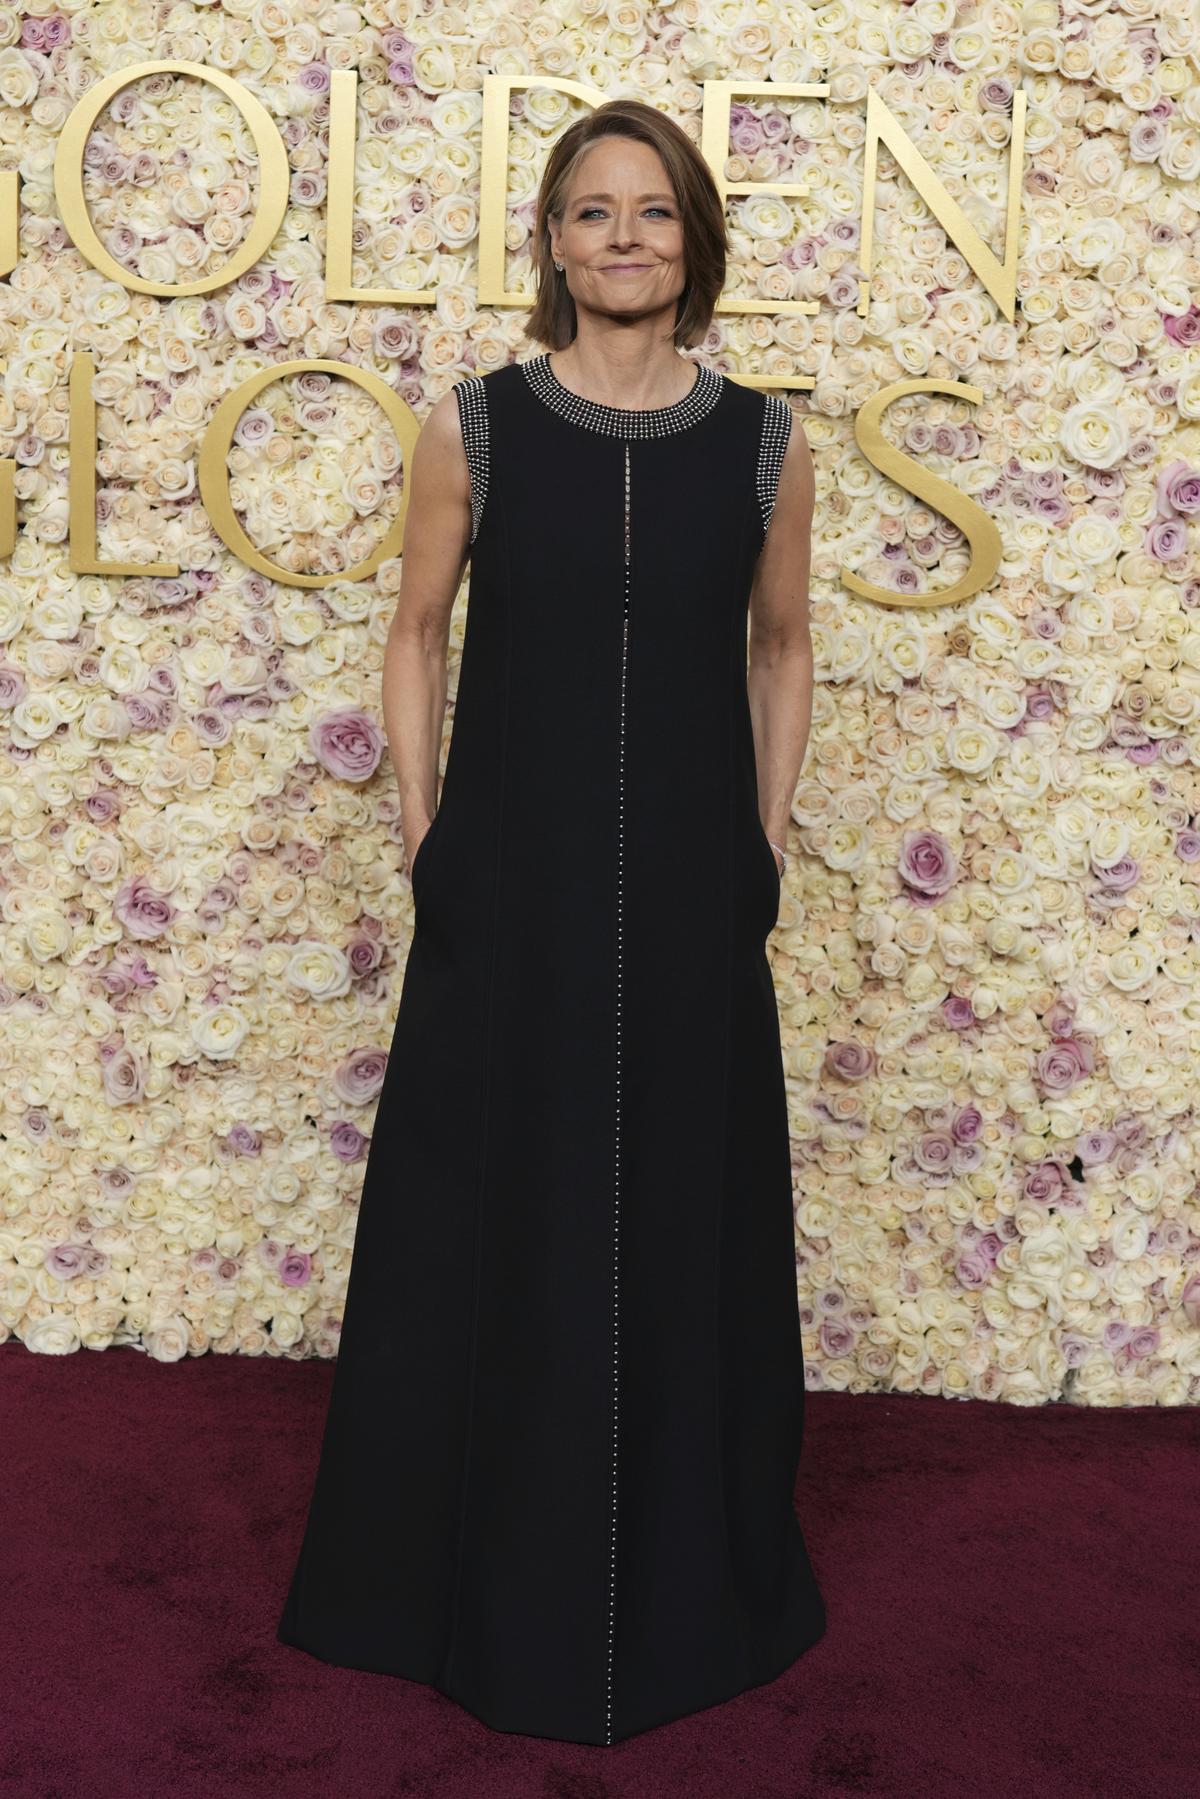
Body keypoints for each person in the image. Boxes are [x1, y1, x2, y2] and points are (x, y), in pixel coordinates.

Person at [276, 95, 823, 1746]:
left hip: (690, 896)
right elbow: (415, 629)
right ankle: (448, 1580)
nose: (624, 239)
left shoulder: (769, 442)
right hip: (505, 888)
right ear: (553, 243)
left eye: (652, 213)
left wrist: (764, 847)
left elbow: (784, 647)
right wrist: (428, 837)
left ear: (697, 239)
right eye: (591, 213)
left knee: (677, 1203)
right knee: (488, 1201)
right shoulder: (479, 426)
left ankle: (687, 1576)